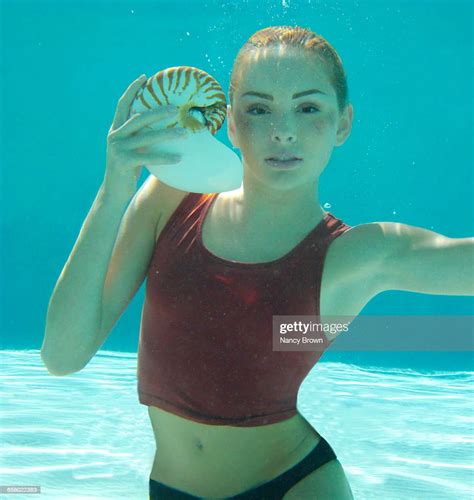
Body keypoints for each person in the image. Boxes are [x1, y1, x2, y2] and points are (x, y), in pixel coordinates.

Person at [41, 26, 474, 500]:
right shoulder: (170, 198)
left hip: (297, 486)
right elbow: (63, 356)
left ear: (343, 124)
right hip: (169, 488)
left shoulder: (356, 254)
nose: (282, 129)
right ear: (230, 123)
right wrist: (114, 189)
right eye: (258, 108)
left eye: (308, 108)